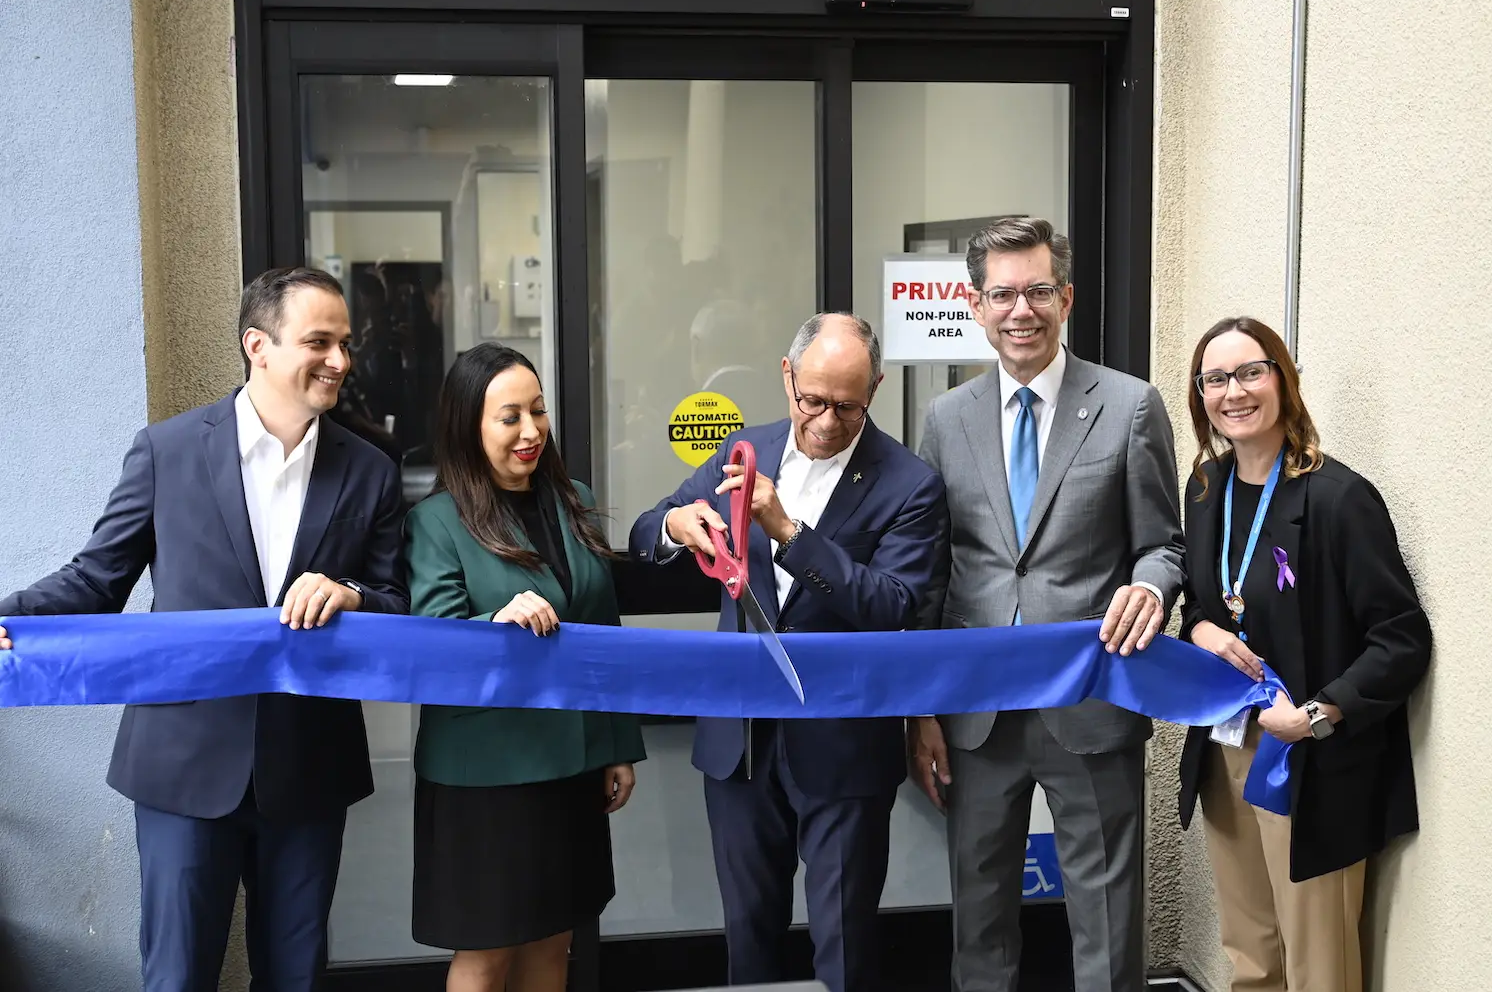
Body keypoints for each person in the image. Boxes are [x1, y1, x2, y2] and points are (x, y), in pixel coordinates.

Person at [0, 267, 410, 991]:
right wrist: (6, 618)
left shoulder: (372, 470)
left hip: (310, 767)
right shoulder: (168, 450)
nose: (340, 361)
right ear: (258, 344)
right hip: (181, 762)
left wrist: (350, 593)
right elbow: (97, 579)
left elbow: (396, 601)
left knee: (296, 978)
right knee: (178, 976)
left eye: (345, 343)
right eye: (319, 341)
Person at [629, 313, 950, 992]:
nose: (828, 421)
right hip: (739, 742)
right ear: (787, 377)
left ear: (876, 389)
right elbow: (641, 534)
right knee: (749, 935)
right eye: (813, 401)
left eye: (848, 405)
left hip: (841, 744)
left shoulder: (909, 484)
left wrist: (788, 532)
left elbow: (892, 604)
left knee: (844, 941)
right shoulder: (741, 451)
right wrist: (673, 525)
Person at [909, 216, 1186, 992]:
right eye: (1002, 294)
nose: (1019, 310)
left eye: (1036, 291)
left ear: (1065, 298)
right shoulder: (946, 419)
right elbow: (933, 571)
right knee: (980, 913)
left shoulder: (1129, 406)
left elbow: (1165, 544)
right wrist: (923, 710)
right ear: (975, 305)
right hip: (977, 712)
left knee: (1105, 915)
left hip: (1090, 700)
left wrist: (1151, 587)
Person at [1176, 316, 1431, 992]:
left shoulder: (1340, 499)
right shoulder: (1205, 491)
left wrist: (1316, 716)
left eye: (1251, 371)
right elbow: (1206, 604)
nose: (1234, 391)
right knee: (1252, 958)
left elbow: (1402, 639)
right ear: (1200, 396)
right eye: (1216, 379)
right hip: (1226, 751)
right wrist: (1198, 629)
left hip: (1310, 759)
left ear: (1284, 380)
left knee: (1318, 968)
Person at [403, 342, 646, 992]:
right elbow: (433, 640)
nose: (531, 431)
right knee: (487, 955)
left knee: (554, 939)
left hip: (572, 762)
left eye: (537, 412)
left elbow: (602, 634)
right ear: (468, 426)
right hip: (487, 775)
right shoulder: (435, 522)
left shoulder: (574, 500)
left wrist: (616, 745)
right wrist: (498, 622)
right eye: (509, 417)